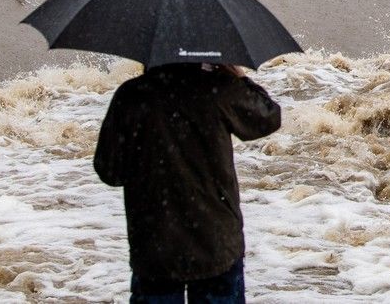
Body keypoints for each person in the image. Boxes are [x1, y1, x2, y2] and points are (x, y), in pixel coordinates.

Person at [95, 62, 280, 304]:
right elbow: (268, 116)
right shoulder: (219, 88)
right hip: (216, 240)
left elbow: (110, 171)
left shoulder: (132, 96)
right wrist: (238, 77)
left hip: (155, 241)